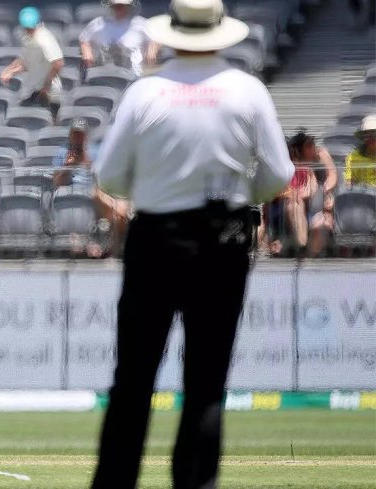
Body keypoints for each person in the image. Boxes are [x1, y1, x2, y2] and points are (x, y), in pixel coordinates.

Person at [90, 1, 294, 488]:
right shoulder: (247, 91)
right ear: (221, 33)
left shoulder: (146, 92)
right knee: (205, 384)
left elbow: (111, 176)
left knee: (133, 380)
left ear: (173, 33)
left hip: (156, 238)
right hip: (223, 240)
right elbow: (279, 177)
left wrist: (158, 181)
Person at [52, 119, 128, 257]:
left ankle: (109, 245)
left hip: (94, 190)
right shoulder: (62, 152)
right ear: (70, 135)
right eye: (75, 135)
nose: (78, 138)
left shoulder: (95, 151)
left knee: (108, 206)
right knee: (117, 212)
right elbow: (56, 183)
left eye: (80, 135)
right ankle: (102, 244)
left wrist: (87, 162)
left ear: (86, 136)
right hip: (70, 192)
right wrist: (67, 167)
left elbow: (104, 177)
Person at [267, 131, 336, 257]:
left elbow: (312, 187)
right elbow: (272, 192)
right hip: (283, 210)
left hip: (304, 208)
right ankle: (302, 246)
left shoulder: (305, 168)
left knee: (320, 221)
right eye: (309, 145)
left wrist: (324, 192)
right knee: (295, 205)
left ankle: (308, 252)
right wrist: (290, 193)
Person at [1, 7, 64, 120]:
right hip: (33, 90)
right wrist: (9, 71)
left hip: (48, 93)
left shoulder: (45, 39)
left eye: (30, 27)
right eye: (27, 27)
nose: (28, 30)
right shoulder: (27, 38)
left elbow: (58, 63)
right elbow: (24, 62)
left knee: (48, 125)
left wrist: (46, 86)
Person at [79, 0, 159, 78]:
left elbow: (158, 37)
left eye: (122, 5)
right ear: (111, 6)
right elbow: (84, 39)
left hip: (134, 75)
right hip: (103, 75)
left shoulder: (140, 24)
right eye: (116, 5)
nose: (119, 8)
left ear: (129, 6)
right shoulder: (99, 24)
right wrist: (87, 52)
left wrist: (152, 50)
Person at [344, 115, 376, 187]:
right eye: (366, 135)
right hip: (363, 195)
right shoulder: (353, 157)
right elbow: (349, 183)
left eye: (374, 134)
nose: (371, 138)